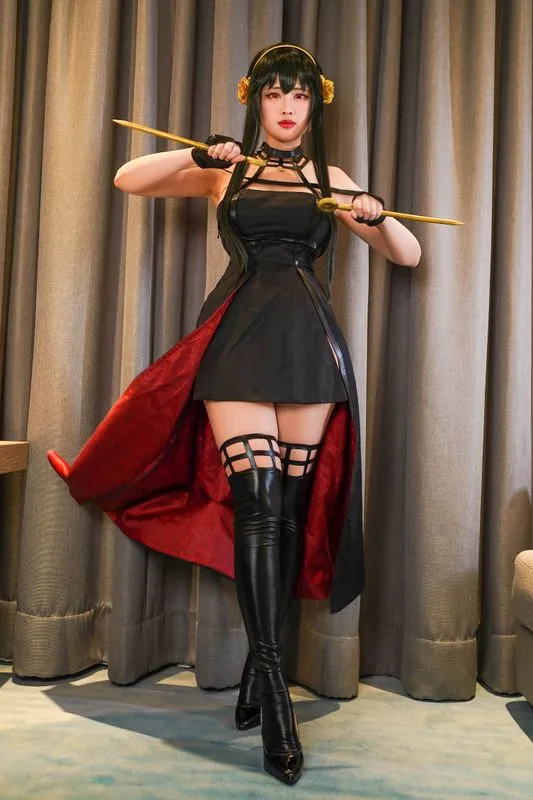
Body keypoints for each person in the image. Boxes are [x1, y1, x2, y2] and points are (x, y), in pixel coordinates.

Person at [48, 43, 421, 785]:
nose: (286, 107)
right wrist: (201, 151)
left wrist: (375, 215)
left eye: (299, 96)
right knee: (256, 507)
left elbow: (407, 254)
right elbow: (128, 177)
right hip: (236, 341)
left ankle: (257, 668)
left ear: (314, 107)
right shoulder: (228, 170)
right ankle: (276, 694)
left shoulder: (331, 180)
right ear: (255, 100)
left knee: (288, 513)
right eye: (274, 94)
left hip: (309, 346)